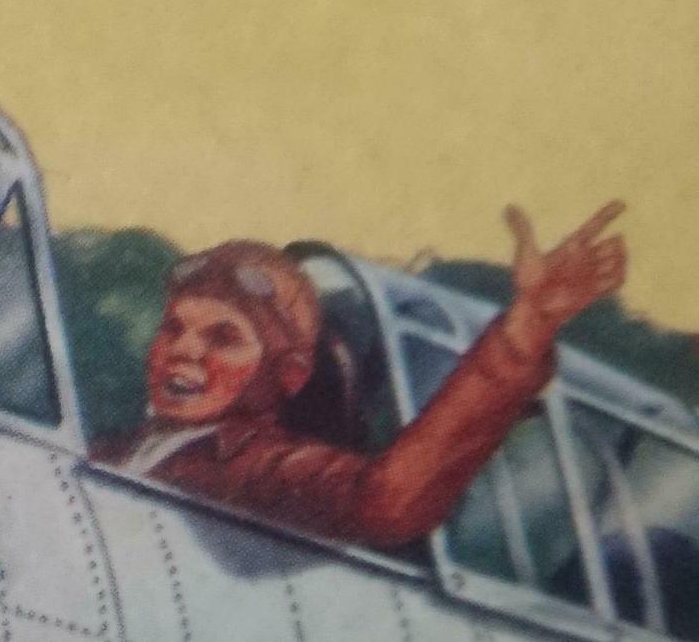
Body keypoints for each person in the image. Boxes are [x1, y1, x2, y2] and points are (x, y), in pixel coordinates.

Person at [93, 201, 627, 548]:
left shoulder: (263, 467)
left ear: (289, 375)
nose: (184, 350)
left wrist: (529, 324)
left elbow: (385, 501)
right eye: (174, 327)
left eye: (223, 338)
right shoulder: (118, 447)